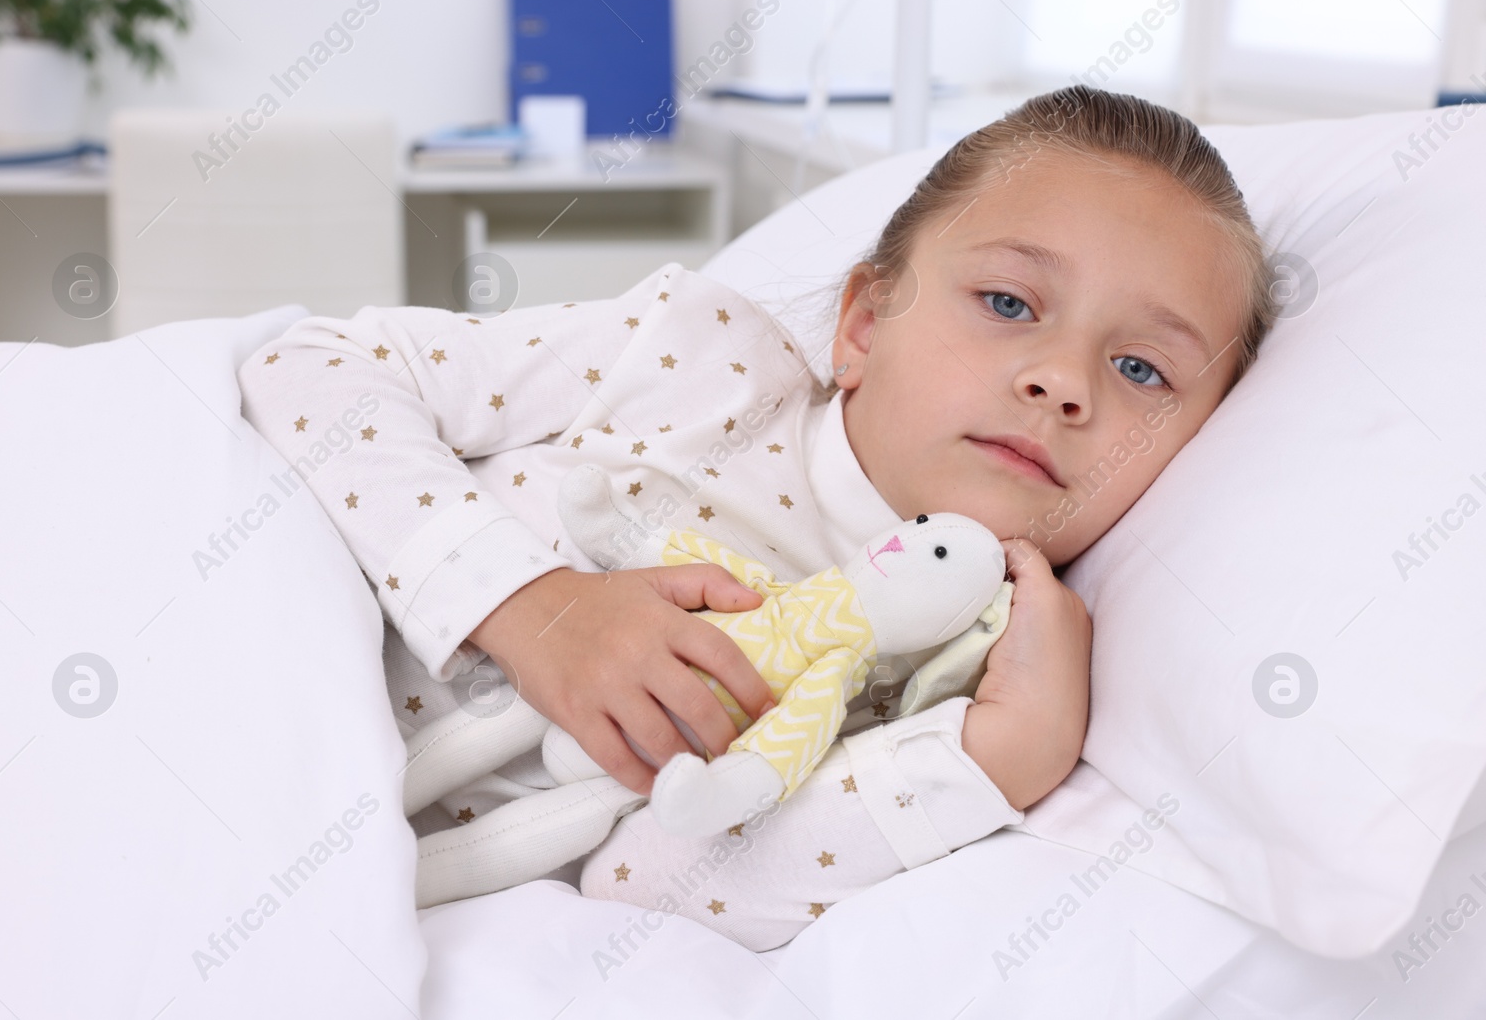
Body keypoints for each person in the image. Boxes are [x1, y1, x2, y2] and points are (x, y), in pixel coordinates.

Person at [235, 86, 1275, 949]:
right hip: (243, 654)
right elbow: (308, 369)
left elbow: (648, 889)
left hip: (279, 861)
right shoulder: (700, 361)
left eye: (1140, 367)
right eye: (1008, 302)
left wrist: (990, 758)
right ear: (863, 322)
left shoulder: (945, 675)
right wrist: (531, 607)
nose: (1060, 380)